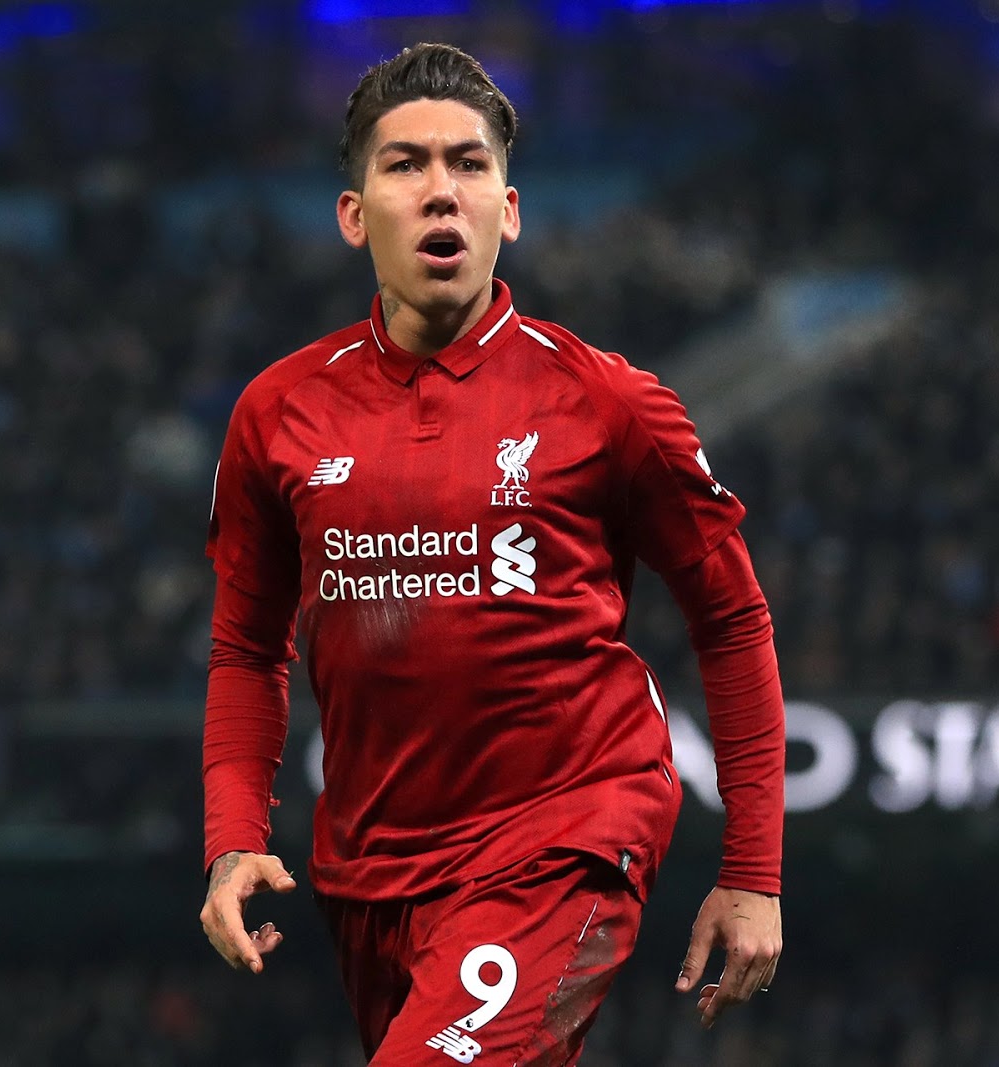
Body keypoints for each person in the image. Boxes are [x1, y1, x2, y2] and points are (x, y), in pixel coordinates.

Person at [198, 42, 785, 1064]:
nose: (442, 190)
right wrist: (234, 834)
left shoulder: (606, 401)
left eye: (468, 165)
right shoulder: (277, 412)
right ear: (353, 216)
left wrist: (754, 869)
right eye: (406, 164)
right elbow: (249, 647)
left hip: (564, 836)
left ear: (507, 212)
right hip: (373, 869)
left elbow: (731, 618)